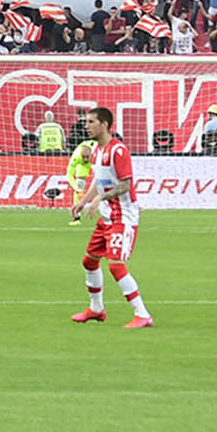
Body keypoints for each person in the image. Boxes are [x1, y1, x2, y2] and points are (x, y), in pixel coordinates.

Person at [70, 106, 152, 327]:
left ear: (104, 124)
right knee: (89, 261)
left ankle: (142, 314)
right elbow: (98, 182)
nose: (86, 126)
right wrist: (84, 201)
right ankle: (96, 309)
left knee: (115, 265)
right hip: (106, 217)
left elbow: (125, 185)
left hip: (122, 217)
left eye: (91, 122)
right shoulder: (95, 150)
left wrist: (101, 199)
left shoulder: (118, 150)